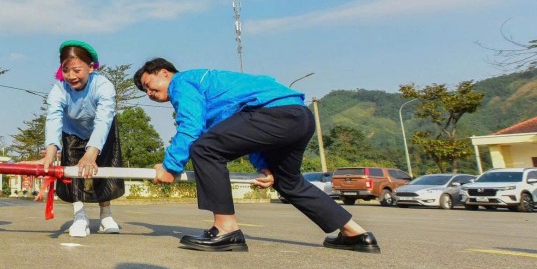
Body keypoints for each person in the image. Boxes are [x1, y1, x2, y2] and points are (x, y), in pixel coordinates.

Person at [133, 58, 379, 253]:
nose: (149, 93)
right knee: (287, 182)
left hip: (273, 114)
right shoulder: (209, 91)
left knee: (204, 148)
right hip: (298, 117)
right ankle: (355, 233)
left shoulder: (183, 82)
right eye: (144, 91)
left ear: (164, 72)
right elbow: (241, 133)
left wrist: (170, 167)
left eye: (148, 85)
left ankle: (226, 229)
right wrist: (264, 166)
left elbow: (191, 127)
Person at [38, 40, 125, 237]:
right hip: (72, 132)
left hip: (102, 132)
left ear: (91, 66)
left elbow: (103, 120)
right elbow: (53, 119)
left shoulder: (104, 86)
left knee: (105, 169)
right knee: (72, 173)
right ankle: (79, 216)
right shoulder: (58, 89)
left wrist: (91, 152)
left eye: (77, 70)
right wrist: (50, 153)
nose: (71, 76)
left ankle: (106, 215)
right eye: (66, 70)